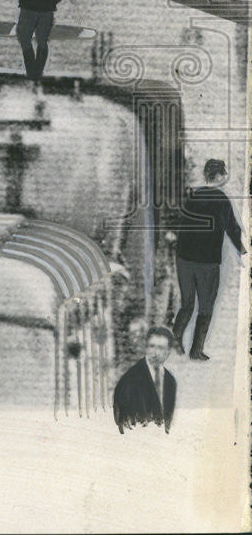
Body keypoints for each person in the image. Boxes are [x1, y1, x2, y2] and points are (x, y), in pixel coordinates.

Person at [170, 159, 247, 360]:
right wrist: (243, 251)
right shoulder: (221, 199)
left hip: (184, 258)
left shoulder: (191, 195)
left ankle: (175, 338)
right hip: (207, 262)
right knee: (205, 308)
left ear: (206, 175)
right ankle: (196, 350)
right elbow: (232, 228)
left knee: (187, 303)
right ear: (220, 176)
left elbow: (179, 222)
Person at [113, 326, 176, 434]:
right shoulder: (129, 380)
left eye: (161, 348)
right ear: (146, 347)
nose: (155, 353)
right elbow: (124, 426)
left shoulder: (170, 381)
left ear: (168, 352)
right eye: (152, 346)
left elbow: (167, 422)